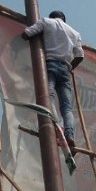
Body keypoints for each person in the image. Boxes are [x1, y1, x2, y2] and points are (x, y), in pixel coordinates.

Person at [22, 10, 84, 151]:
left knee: (48, 96)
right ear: (64, 19)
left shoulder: (46, 22)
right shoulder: (75, 33)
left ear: (52, 17)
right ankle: (69, 135)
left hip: (50, 64)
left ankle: (55, 126)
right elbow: (80, 56)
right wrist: (70, 67)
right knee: (67, 107)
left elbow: (27, 34)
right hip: (65, 69)